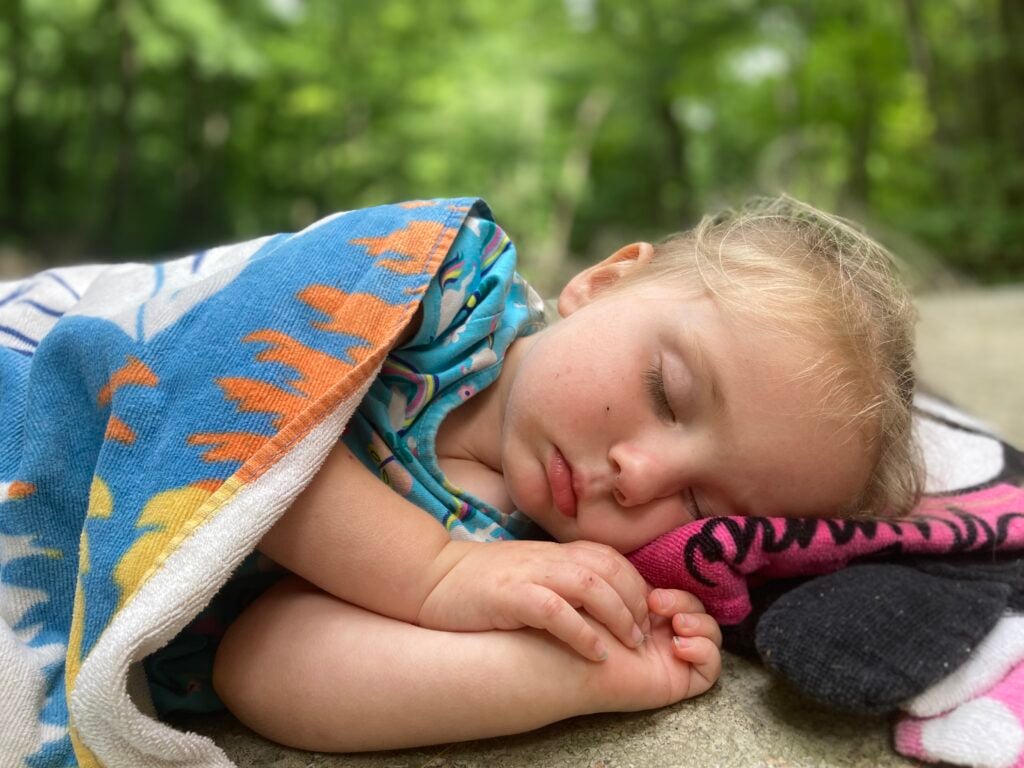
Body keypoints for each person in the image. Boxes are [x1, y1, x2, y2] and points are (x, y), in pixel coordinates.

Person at [200, 195, 922, 752]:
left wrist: (581, 670)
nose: (638, 475)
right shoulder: (440, 287)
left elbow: (256, 667)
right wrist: (434, 574)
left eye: (699, 503)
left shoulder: (526, 567)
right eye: (667, 392)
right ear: (606, 280)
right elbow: (227, 401)